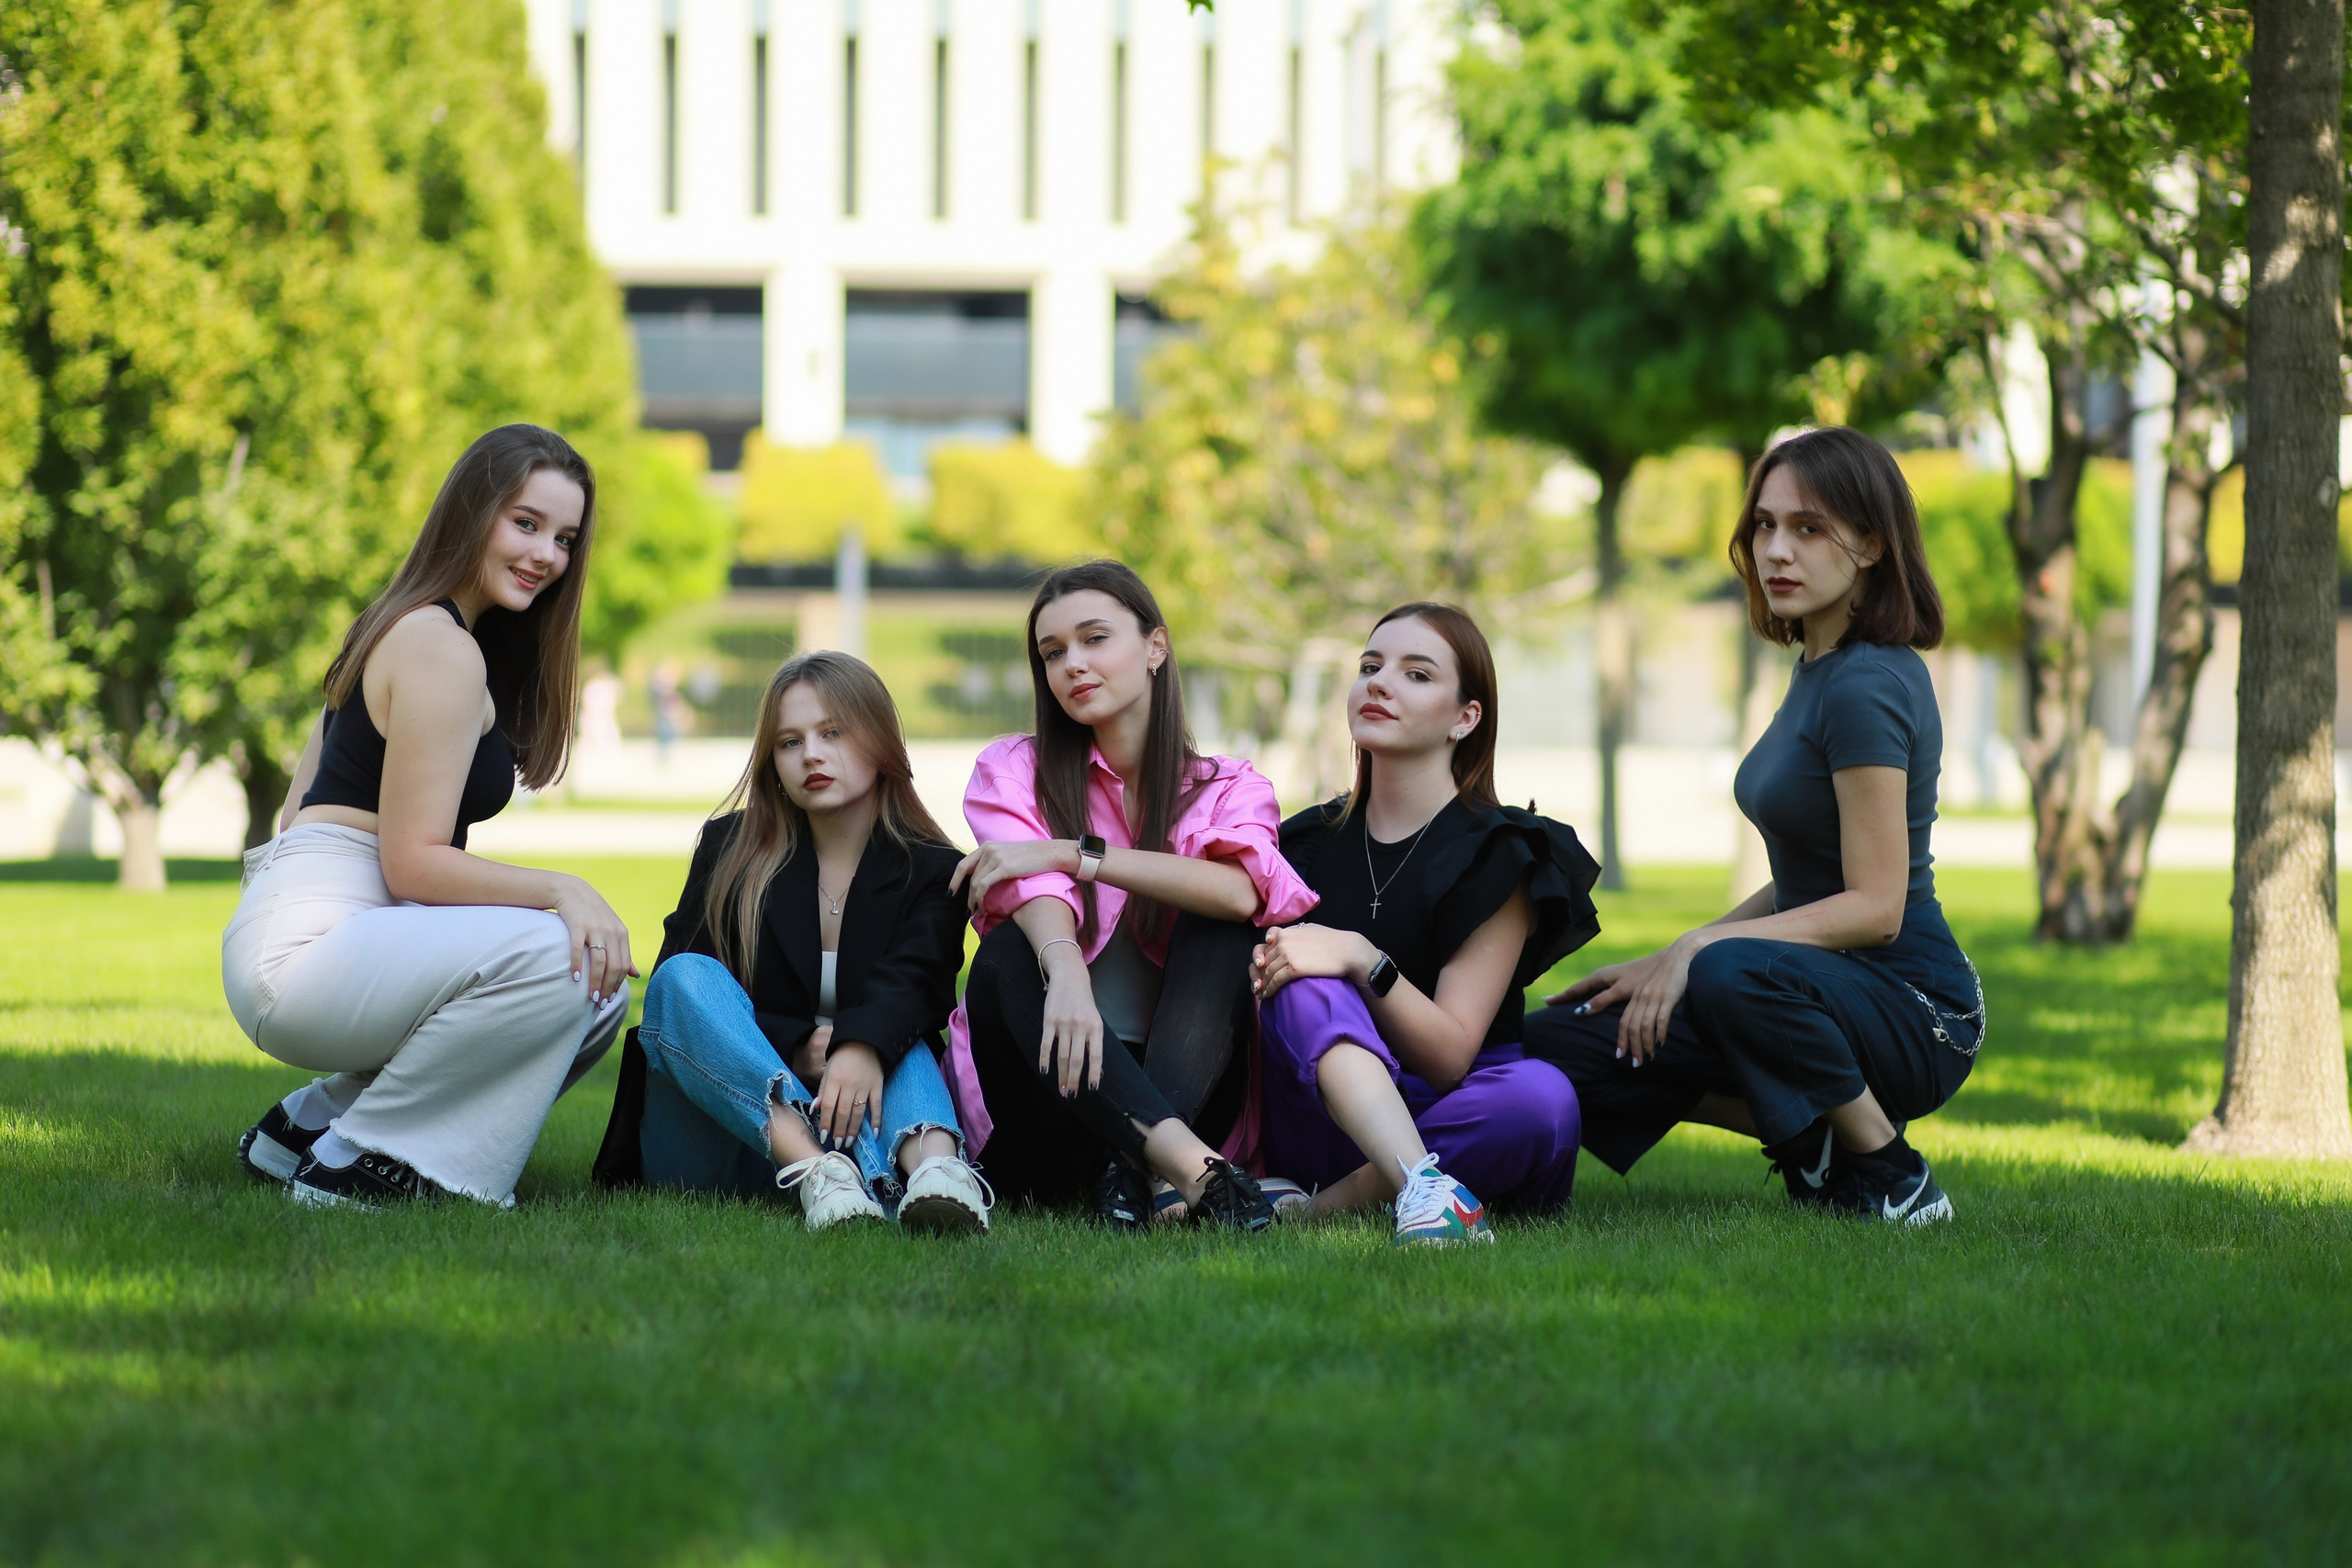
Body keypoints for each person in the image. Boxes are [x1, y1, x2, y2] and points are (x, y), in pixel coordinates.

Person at [1522, 426, 1984, 1226]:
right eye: (1765, 526)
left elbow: (1876, 908)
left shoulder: (1866, 684)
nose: (1777, 549)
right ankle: (1820, 1142)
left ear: (1871, 544)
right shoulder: (1817, 668)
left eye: (1809, 528)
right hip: (1807, 988)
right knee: (1561, 1041)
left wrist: (1703, 951)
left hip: (1918, 1010)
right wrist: (1665, 957)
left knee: (1732, 972)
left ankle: (1892, 1171)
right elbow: (1808, 876)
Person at [221, 425, 635, 1209]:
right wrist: (561, 888)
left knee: (596, 987)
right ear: (471, 511)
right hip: (305, 951)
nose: (547, 553)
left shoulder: (403, 622)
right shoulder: (440, 646)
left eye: (566, 538)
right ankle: (364, 1165)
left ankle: (309, 1127)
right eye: (526, 523)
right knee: (563, 954)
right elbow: (410, 863)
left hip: (304, 932)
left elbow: (294, 810)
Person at [947, 561, 1318, 1231]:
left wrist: (1076, 853)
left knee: (1223, 931)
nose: (1072, 665)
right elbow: (1028, 889)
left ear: (1156, 646)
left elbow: (1241, 893)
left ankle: (1139, 1160)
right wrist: (1065, 974)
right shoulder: (1013, 769)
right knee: (1009, 954)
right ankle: (1187, 1170)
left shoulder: (1230, 787)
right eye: (1053, 652)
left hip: (1185, 1088)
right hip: (1050, 1097)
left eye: (1094, 638)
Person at [591, 651, 989, 1233]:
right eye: (790, 742)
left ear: (880, 739)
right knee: (681, 977)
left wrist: (858, 1047)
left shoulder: (933, 869)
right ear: (772, 761)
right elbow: (684, 1007)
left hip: (861, 1118)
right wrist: (801, 1046)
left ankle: (937, 1176)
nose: (812, 756)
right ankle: (819, 1174)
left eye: (833, 733)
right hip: (723, 1135)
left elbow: (919, 982)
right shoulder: (731, 849)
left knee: (896, 1035)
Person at [1250, 604, 1600, 1246]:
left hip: (1462, 1110)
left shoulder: (1503, 851)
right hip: (1335, 1112)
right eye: (1369, 667)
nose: (1378, 683)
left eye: (1416, 674)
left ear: (1466, 718)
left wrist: (1361, 955)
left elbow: (1448, 1058)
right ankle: (1417, 1189)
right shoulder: (1298, 844)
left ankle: (1326, 1209)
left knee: (1542, 1097)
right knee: (1301, 977)